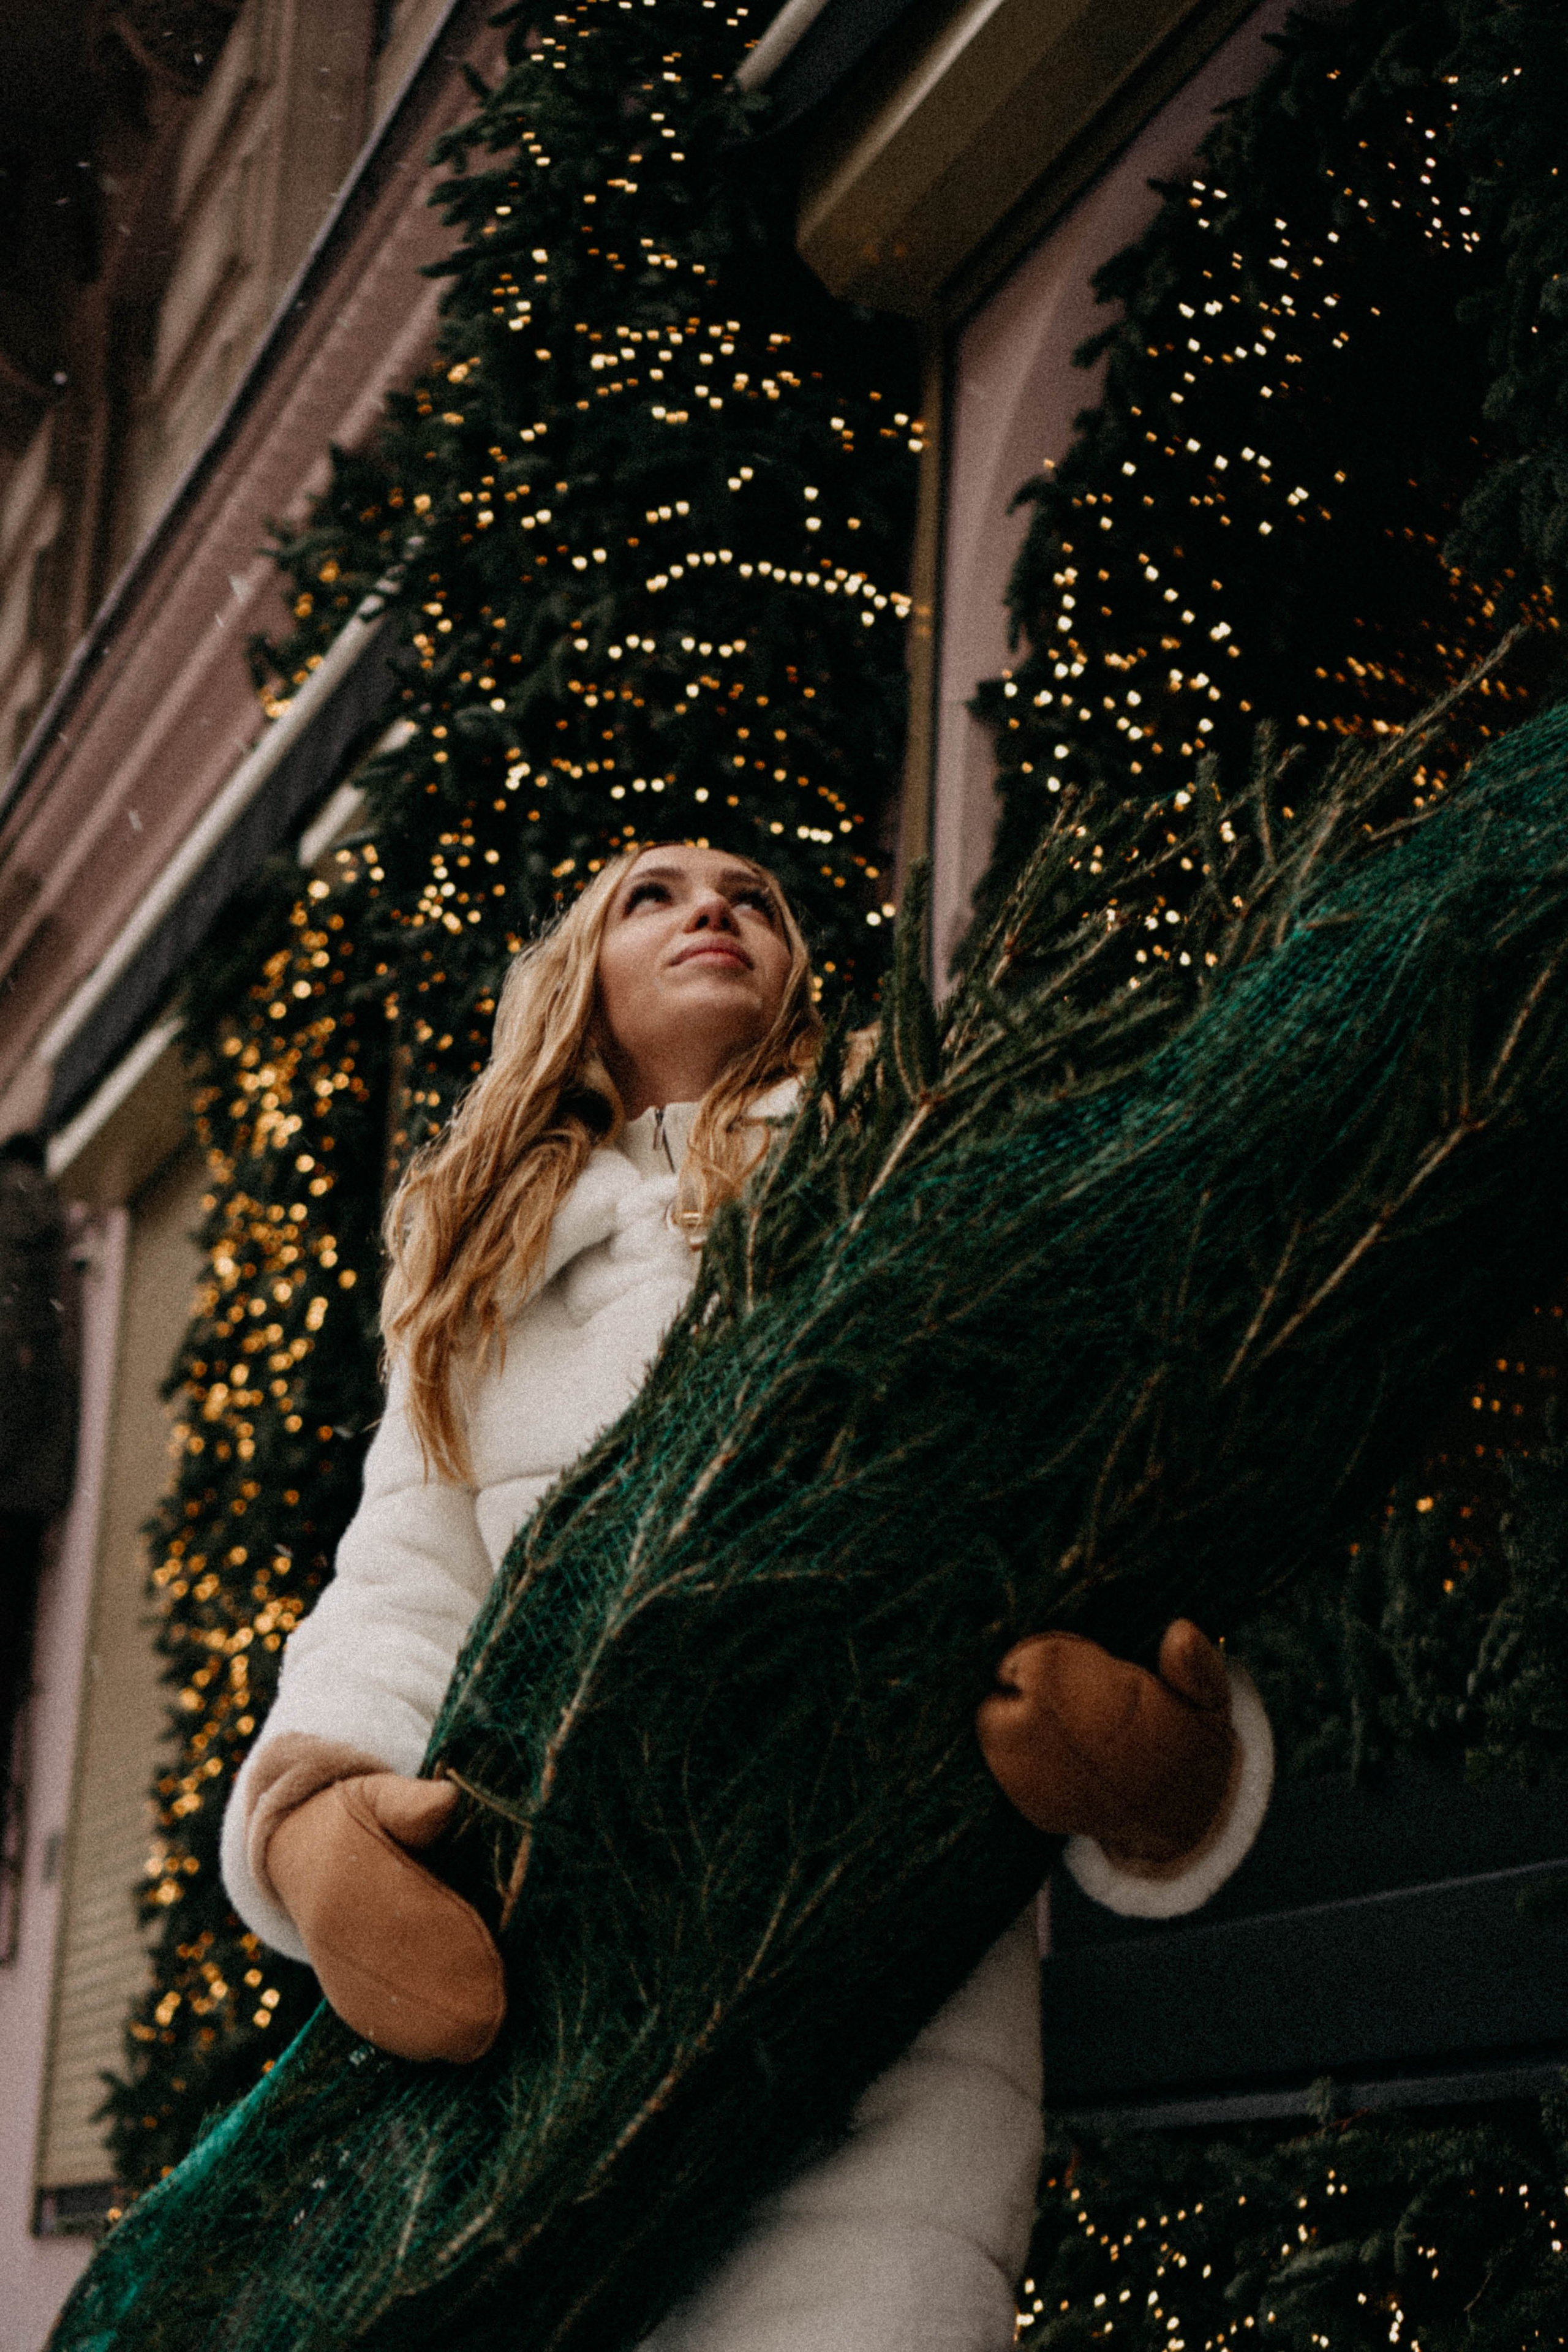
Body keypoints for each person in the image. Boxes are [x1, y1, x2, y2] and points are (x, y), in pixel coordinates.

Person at [221, 841, 1273, 2352]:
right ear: (575, 978)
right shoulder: (475, 1282)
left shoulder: (909, 1168)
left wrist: (1165, 1761)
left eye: (753, 898)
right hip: (565, 1988)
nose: (711, 907)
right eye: (651, 894)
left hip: (884, 1963)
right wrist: (312, 1819)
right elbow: (398, 1587)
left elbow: (1068, 1481)